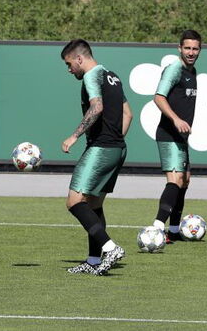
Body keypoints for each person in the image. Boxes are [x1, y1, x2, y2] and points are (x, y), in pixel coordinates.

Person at [60, 39, 132, 276]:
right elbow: (128, 114)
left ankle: (110, 248)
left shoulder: (92, 76)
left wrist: (74, 136)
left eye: (70, 64)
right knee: (94, 204)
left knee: (74, 201)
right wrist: (115, 139)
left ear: (80, 59)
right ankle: (93, 261)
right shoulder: (112, 76)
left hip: (102, 148)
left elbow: (97, 107)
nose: (69, 70)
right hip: (117, 148)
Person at [150, 30, 201, 242]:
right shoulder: (174, 69)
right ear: (179, 48)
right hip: (168, 134)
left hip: (181, 138)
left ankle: (173, 231)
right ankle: (157, 228)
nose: (191, 52)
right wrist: (176, 119)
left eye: (195, 48)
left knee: (185, 180)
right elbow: (159, 97)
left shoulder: (192, 71)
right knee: (176, 179)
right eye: (187, 48)